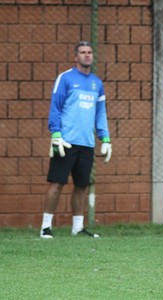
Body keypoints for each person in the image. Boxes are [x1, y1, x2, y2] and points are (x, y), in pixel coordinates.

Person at [40, 41, 112, 239]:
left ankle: (77, 228)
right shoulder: (65, 78)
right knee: (57, 183)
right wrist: (56, 134)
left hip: (87, 143)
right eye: (83, 52)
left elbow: (100, 113)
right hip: (65, 142)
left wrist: (105, 138)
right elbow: (55, 107)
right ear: (76, 57)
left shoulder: (97, 83)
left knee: (82, 185)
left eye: (90, 52)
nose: (87, 55)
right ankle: (46, 227)